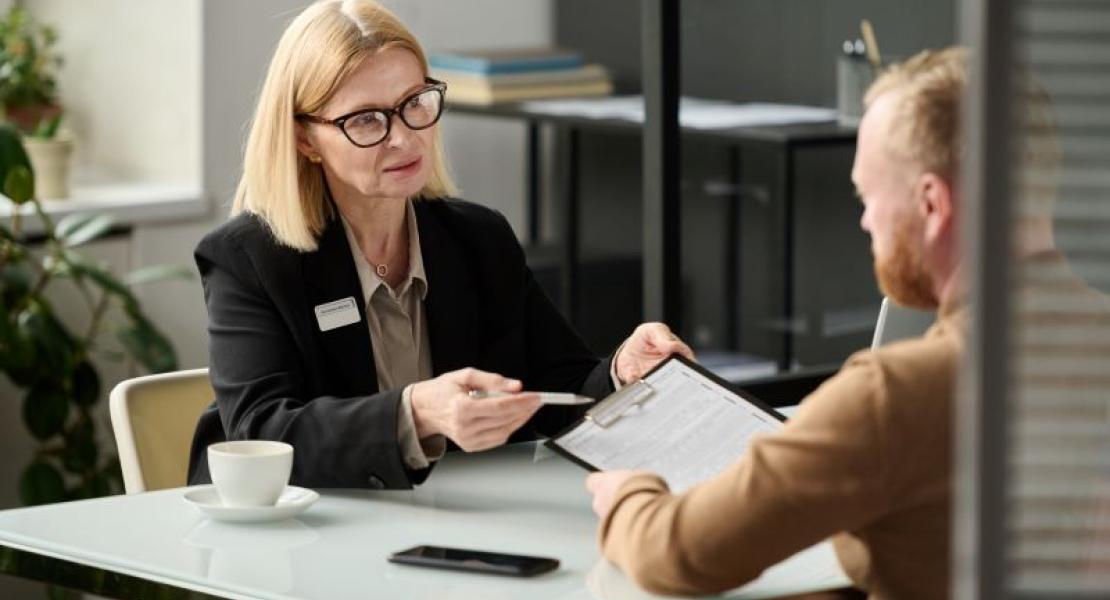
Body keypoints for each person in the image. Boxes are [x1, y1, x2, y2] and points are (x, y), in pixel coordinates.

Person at [584, 47, 1065, 600]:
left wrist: (627, 493)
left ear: (932, 204)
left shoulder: (899, 393)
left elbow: (678, 555)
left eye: (867, 196)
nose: (864, 221)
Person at [187, 0, 691, 490]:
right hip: (297, 534)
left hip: (451, 522)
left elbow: (561, 387)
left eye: (413, 103)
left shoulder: (477, 238)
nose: (403, 138)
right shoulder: (248, 258)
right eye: (365, 119)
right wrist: (416, 412)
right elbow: (262, 431)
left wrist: (624, 372)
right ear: (305, 140)